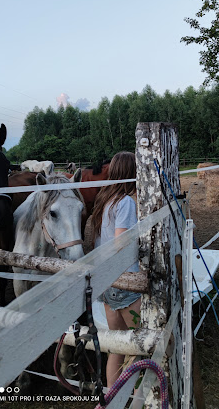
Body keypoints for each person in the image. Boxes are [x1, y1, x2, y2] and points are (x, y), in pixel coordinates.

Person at [91, 151, 141, 388]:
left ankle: (113, 396)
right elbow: (120, 244)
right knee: (139, 343)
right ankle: (137, 396)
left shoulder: (104, 201)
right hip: (124, 282)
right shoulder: (126, 202)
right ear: (132, 173)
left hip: (105, 282)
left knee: (117, 346)